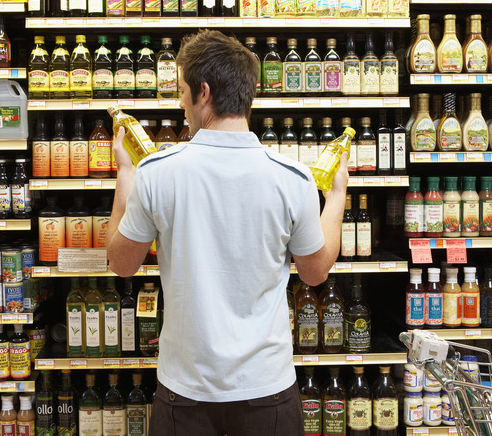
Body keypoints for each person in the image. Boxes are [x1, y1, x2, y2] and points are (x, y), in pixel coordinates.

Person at [106, 29, 348, 436]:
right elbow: (315, 272)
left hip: (185, 393)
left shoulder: (157, 173)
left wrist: (125, 174)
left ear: (203, 92)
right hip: (267, 390)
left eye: (182, 91)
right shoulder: (293, 178)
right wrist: (338, 193)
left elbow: (122, 263)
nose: (181, 104)